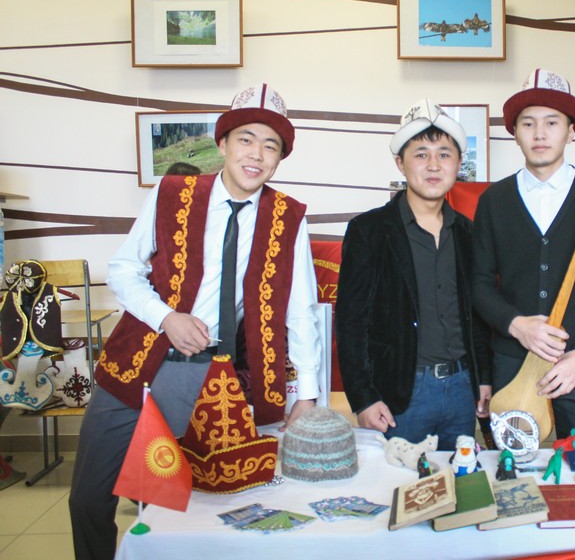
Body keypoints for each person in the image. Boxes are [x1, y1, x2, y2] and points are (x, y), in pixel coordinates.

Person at [69, 84, 322, 560]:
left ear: (279, 159)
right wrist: (166, 317)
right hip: (136, 365)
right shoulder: (172, 193)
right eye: (246, 139)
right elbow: (123, 269)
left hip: (211, 378)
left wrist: (305, 395)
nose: (257, 154)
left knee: (180, 506)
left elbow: (300, 309)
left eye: (271, 146)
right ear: (222, 143)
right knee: (87, 499)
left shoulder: (288, 217)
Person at [472, 69, 575, 441]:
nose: (540, 133)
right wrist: (517, 325)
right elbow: (478, 283)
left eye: (551, 122)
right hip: (511, 359)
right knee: (511, 465)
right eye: (528, 123)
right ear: (515, 132)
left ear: (570, 131)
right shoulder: (494, 201)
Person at [336, 99, 492, 451]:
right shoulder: (369, 231)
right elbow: (350, 323)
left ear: (459, 164)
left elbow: (478, 318)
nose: (433, 165)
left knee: (460, 479)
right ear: (400, 163)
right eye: (421, 154)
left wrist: (483, 377)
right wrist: (363, 398)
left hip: (461, 389)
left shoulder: (468, 233)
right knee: (397, 481)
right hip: (400, 394)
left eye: (444, 154)